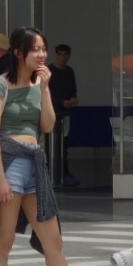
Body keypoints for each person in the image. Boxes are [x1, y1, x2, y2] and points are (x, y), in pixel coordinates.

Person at [0, 27, 114, 266]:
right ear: (18, 52)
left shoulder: (38, 85)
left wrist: (45, 88)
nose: (41, 55)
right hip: (10, 164)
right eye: (35, 49)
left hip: (35, 166)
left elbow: (48, 125)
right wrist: (0, 178)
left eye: (43, 49)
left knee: (54, 242)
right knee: (3, 243)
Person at [50, 43, 82, 187]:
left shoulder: (69, 71)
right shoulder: (49, 71)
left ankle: (64, 173)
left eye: (65, 54)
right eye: (59, 54)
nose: (62, 57)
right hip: (52, 113)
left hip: (66, 114)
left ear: (69, 56)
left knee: (64, 144)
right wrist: (62, 102)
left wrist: (72, 100)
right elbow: (47, 93)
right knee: (50, 145)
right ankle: (50, 173)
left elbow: (73, 90)